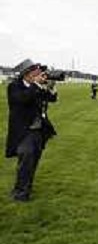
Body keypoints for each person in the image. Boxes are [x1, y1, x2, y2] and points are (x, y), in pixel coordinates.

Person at [5, 59, 58, 202]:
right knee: (26, 160)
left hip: (38, 131)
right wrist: (36, 85)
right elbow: (23, 99)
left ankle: (25, 187)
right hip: (24, 131)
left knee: (33, 161)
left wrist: (51, 86)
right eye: (35, 72)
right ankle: (21, 193)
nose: (39, 74)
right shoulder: (14, 87)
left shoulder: (37, 87)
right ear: (26, 74)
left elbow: (52, 99)